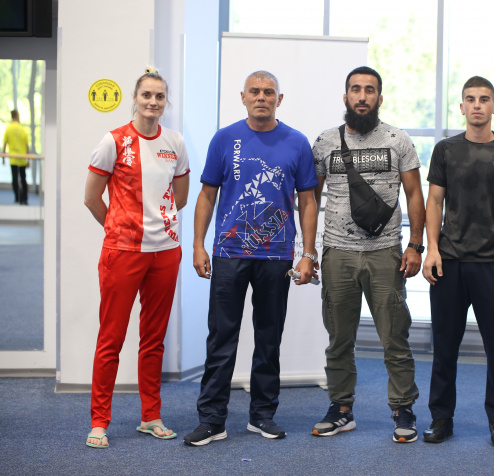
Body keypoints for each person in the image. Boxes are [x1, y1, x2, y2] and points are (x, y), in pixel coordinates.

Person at [183, 71, 319, 446]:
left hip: (276, 255)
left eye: (268, 92)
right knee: (221, 337)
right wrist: (198, 244)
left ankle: (262, 415)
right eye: (255, 91)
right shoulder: (224, 139)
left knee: (268, 338)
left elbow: (307, 201)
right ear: (243, 97)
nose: (261, 97)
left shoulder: (296, 142)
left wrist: (308, 253)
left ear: (279, 99)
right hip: (229, 253)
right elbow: (207, 194)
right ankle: (212, 419)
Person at [311, 66, 425, 443]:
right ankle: (341, 409)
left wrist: (415, 245)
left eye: (370, 90)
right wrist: (307, 250)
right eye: (356, 90)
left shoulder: (397, 139)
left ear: (380, 97)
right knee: (339, 339)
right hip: (338, 254)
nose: (362, 96)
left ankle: (403, 408)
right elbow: (310, 199)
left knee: (395, 337)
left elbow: (415, 194)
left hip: (385, 253)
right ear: (345, 97)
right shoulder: (326, 141)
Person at [84, 67, 190, 448]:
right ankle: (99, 421)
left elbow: (180, 197)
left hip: (166, 253)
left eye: (159, 96)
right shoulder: (113, 141)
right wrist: (119, 228)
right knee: (111, 338)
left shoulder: (175, 142)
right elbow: (91, 198)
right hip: (123, 253)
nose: (153, 102)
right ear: (135, 98)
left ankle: (151, 416)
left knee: (154, 339)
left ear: (166, 102)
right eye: (146, 95)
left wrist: (157, 226)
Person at [422, 76, 494, 447]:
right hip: (449, 262)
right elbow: (434, 201)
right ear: (462, 107)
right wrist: (431, 249)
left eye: (484, 99)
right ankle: (441, 418)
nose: (477, 105)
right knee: (444, 347)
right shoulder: (446, 150)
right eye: (471, 99)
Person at [2, 110, 30, 205]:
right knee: (23, 179)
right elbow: (27, 145)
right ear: (17, 116)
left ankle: (18, 198)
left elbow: (5, 144)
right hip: (22, 159)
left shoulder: (9, 128)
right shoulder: (22, 129)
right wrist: (28, 159)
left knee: (15, 179)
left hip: (13, 158)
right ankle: (24, 198)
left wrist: (3, 158)